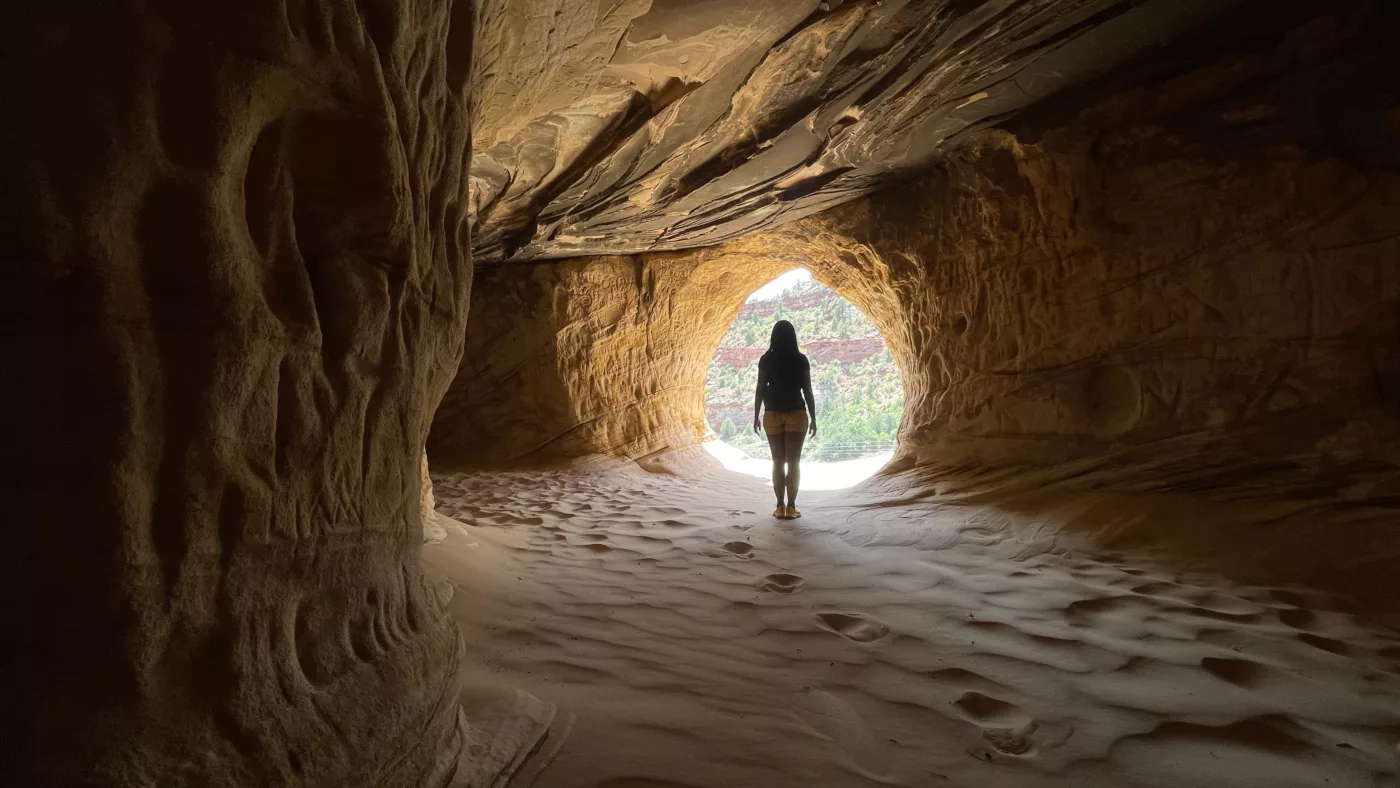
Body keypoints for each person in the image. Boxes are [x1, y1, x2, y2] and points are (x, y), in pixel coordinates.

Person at [752, 320, 817, 519]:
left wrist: (756, 415)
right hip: (797, 414)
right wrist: (813, 418)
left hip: (772, 414)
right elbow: (807, 390)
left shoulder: (766, 360)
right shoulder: (801, 360)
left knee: (777, 462)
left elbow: (760, 388)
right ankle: (792, 507)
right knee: (794, 462)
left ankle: (779, 506)